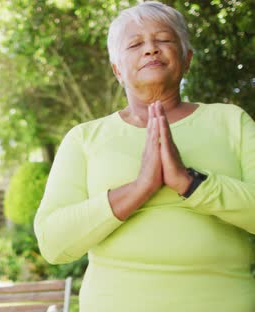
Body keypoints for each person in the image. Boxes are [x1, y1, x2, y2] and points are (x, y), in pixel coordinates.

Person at [34, 2, 255, 311]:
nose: (150, 49)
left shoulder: (231, 121)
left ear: (186, 59)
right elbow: (53, 242)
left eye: (164, 39)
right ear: (117, 70)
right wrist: (140, 188)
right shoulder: (84, 138)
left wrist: (190, 183)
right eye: (135, 44)